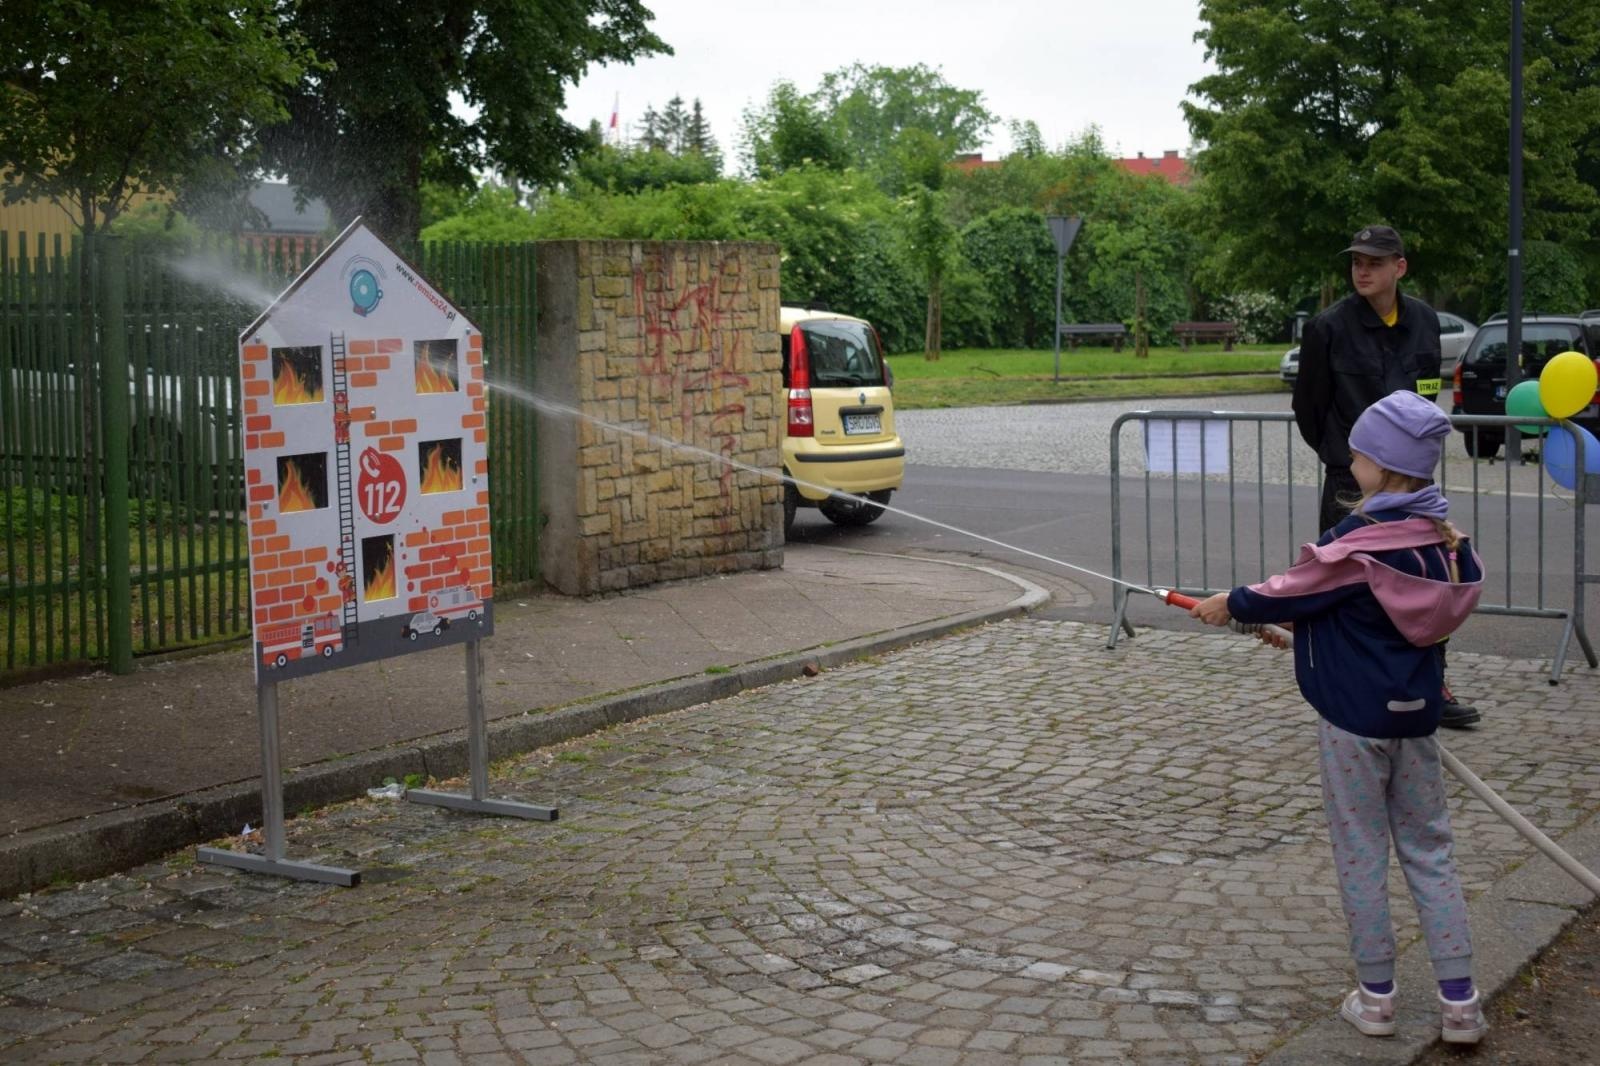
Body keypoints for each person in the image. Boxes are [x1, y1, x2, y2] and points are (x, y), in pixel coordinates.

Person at [1190, 390, 1487, 1045]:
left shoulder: (1359, 542)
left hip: (1353, 728)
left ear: (1384, 464)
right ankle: (1461, 1006)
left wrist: (1228, 604)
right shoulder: (1443, 544)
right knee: (1431, 853)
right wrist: (1302, 633)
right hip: (1416, 723)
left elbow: (1289, 591)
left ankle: (1377, 1000)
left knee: (1361, 856)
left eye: (1360, 450)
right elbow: (1371, 618)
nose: (1351, 457)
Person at [1292, 224, 1480, 729]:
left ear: (1400, 267)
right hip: (1353, 481)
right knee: (1347, 585)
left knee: (1427, 580)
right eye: (1356, 261)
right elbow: (1309, 408)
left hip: (1413, 484)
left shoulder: (1422, 320)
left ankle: (1430, 685)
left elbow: (1426, 394)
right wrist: (1345, 459)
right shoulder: (1328, 328)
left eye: (1374, 262)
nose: (1362, 270)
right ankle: (1349, 685)